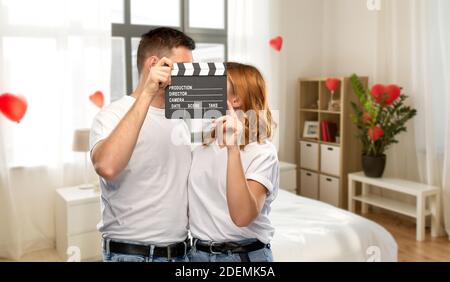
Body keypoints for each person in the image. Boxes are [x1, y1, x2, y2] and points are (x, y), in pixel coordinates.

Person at [90, 27, 195, 262]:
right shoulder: (111, 115)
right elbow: (106, 166)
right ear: (155, 64)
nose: (189, 76)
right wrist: (147, 93)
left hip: (181, 253)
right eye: (183, 68)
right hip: (133, 255)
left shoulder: (178, 121)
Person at [188, 62, 279, 262]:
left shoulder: (262, 153)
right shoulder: (201, 150)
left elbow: (242, 217)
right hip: (197, 255)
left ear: (236, 99)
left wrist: (233, 150)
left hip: (243, 257)